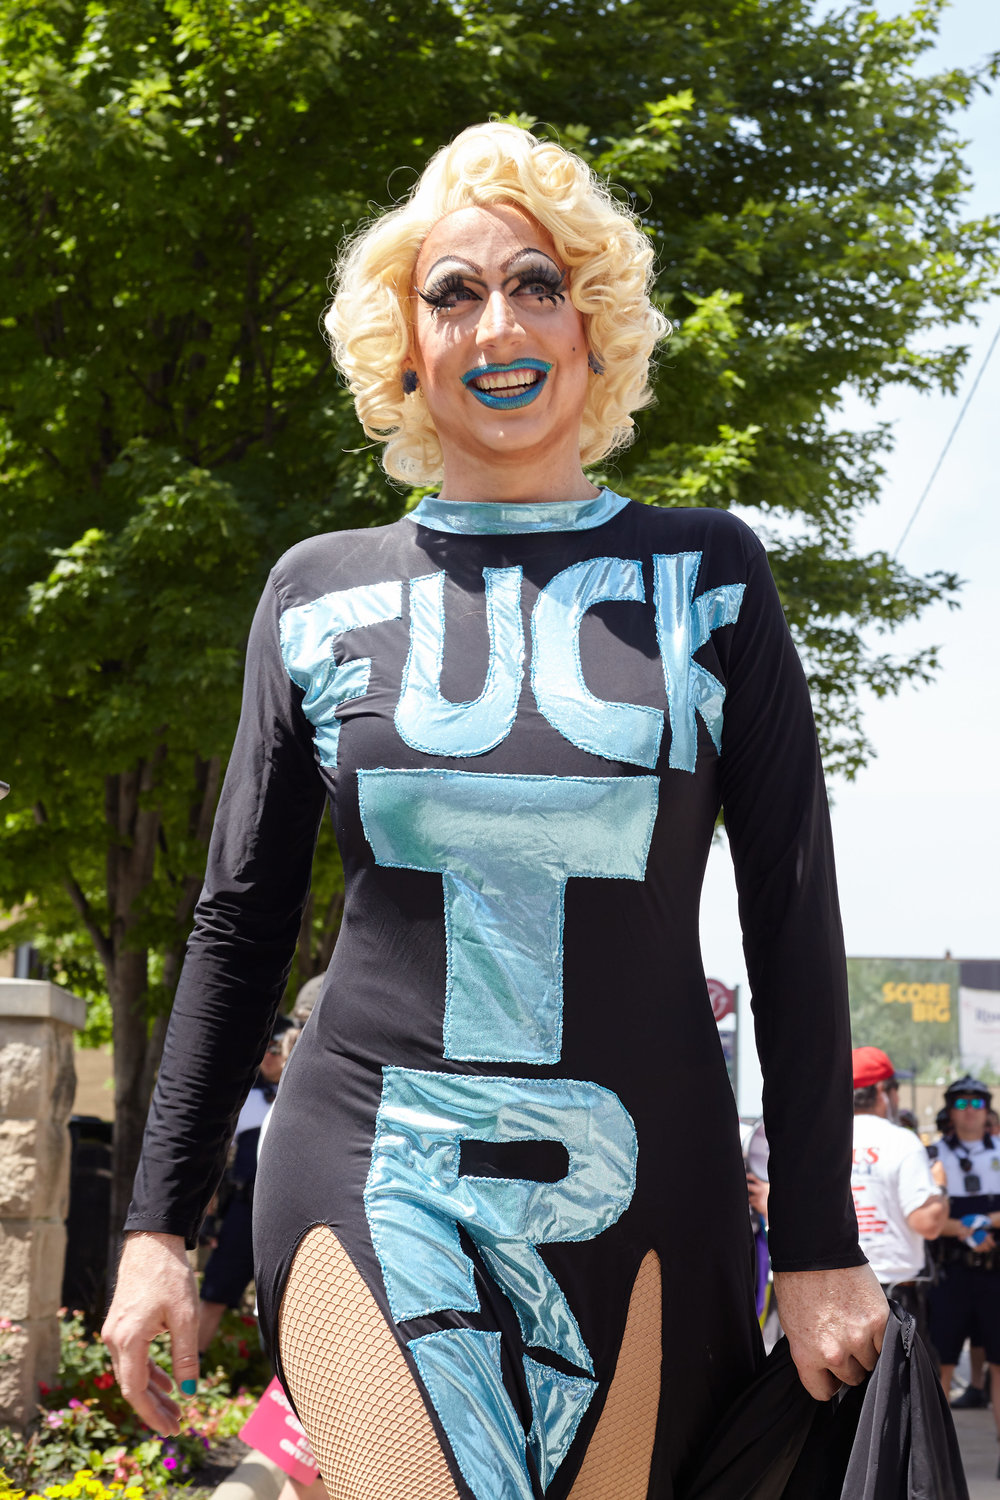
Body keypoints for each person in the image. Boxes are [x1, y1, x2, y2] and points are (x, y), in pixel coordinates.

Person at [101, 122, 887, 1500]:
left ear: (594, 330)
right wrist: (160, 1230)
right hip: (368, 1165)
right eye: (453, 294)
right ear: (405, 347)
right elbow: (237, 928)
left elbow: (792, 910)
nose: (499, 322)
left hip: (648, 1190)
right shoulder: (315, 594)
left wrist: (819, 1237)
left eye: (537, 284)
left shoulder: (709, 577)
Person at [197, 1014, 297, 1351]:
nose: (273, 1056)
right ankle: (187, 1381)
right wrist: (207, 1220)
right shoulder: (245, 1098)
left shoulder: (303, 1091)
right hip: (243, 1212)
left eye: (277, 1047)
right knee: (215, 1292)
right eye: (266, 1048)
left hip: (291, 1215)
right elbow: (213, 1161)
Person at [849, 1046, 945, 1343]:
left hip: (837, 1293)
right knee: (905, 1389)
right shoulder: (901, 1141)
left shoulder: (822, 1142)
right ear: (882, 1091)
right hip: (894, 1300)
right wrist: (939, 1187)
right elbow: (927, 1223)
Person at [927, 1074, 1000, 1444]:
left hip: (995, 1273)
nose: (969, 1112)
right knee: (941, 1359)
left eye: (977, 1103)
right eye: (961, 1104)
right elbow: (923, 1218)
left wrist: (986, 1221)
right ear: (949, 1111)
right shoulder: (933, 1156)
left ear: (987, 1110)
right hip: (950, 1272)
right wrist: (962, 1229)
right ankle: (935, 1454)